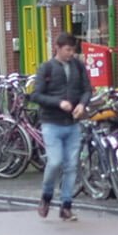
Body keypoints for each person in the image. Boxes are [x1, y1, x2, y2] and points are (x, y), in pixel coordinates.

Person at [29, 33, 92, 221]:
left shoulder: (78, 66)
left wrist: (82, 104)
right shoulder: (46, 68)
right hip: (52, 123)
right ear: (57, 48)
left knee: (71, 166)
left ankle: (66, 205)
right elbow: (36, 95)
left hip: (72, 123)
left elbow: (87, 89)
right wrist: (59, 103)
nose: (71, 54)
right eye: (68, 50)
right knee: (55, 162)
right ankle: (46, 195)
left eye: (73, 50)